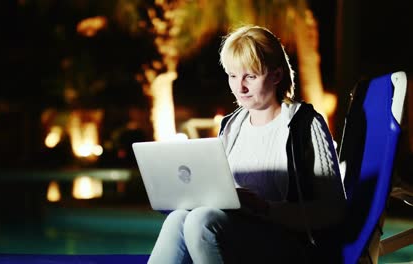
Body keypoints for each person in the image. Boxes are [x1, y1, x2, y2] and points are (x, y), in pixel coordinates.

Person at [148, 25, 346, 264]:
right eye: (233, 76)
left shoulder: (304, 125)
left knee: (202, 221)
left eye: (250, 76)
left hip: (291, 245)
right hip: (239, 236)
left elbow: (333, 211)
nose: (239, 87)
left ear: (276, 75)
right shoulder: (231, 126)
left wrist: (265, 208)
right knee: (179, 217)